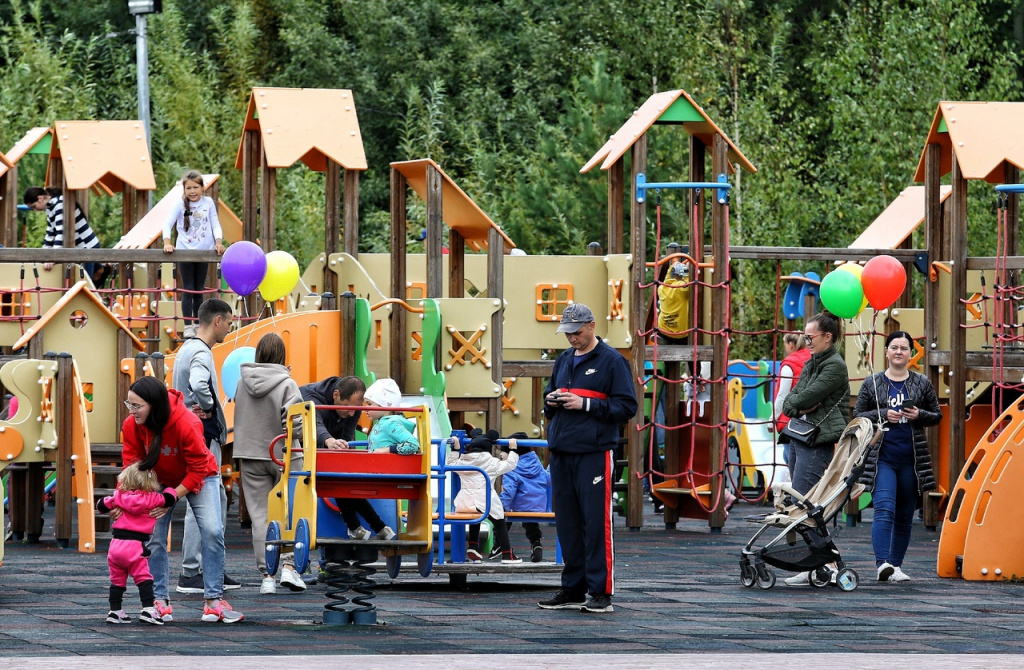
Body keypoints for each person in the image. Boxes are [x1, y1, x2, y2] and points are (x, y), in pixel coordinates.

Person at [538, 303, 638, 614]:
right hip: (562, 451)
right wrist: (550, 401)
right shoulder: (564, 359)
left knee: (596, 524)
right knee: (567, 524)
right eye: (567, 333)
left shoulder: (613, 361)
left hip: (594, 453)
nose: (572, 338)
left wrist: (585, 404)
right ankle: (573, 588)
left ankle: (601, 592)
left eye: (577, 332)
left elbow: (627, 407)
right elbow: (549, 401)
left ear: (592, 326)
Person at [121, 376, 243, 623]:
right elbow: (131, 466)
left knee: (212, 530)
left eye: (136, 406)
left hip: (200, 475)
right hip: (157, 479)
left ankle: (214, 601)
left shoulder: (187, 422)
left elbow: (198, 468)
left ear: (154, 405)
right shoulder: (132, 425)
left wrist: (171, 497)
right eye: (129, 404)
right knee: (153, 534)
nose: (131, 411)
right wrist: (122, 500)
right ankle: (159, 600)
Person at [854, 331, 940, 583]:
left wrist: (919, 415)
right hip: (882, 457)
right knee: (884, 508)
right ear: (886, 352)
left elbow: (936, 415)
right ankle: (882, 563)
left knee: (904, 515)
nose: (899, 352)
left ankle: (896, 565)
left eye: (904, 348)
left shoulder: (922, 383)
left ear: (911, 354)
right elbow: (858, 415)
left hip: (912, 460)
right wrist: (882, 415)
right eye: (894, 347)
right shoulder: (872, 383)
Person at [171, 299, 240, 595]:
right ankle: (191, 571)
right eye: (229, 323)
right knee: (204, 499)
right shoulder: (201, 351)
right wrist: (208, 406)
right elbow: (200, 384)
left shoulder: (186, 348)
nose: (230, 328)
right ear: (217, 321)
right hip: (201, 435)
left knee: (214, 499)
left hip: (190, 432)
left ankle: (209, 566)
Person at [233, 332, 307, 595]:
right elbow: (296, 425)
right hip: (284, 455)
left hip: (250, 454)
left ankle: (267, 576)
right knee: (290, 511)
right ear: (282, 355)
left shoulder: (242, 383)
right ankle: (288, 566)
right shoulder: (287, 384)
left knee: (260, 516)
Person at [781, 311, 851, 587]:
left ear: (827, 337)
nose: (806, 342)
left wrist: (798, 403)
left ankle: (827, 562)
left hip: (817, 439)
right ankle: (817, 562)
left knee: (804, 503)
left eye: (810, 337)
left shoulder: (834, 366)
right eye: (805, 337)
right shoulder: (813, 362)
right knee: (802, 503)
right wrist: (798, 404)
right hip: (801, 435)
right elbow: (791, 401)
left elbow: (804, 397)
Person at [96, 463, 178, 625]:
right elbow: (170, 498)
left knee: (117, 580)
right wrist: (170, 487)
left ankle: (115, 611)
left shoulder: (119, 496)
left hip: (115, 546)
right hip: (135, 546)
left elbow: (101, 506)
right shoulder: (152, 498)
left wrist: (112, 502)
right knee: (144, 578)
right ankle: (148, 609)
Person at [328, 378, 401, 540]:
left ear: (383, 405)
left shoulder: (389, 425)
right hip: (383, 468)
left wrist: (388, 450)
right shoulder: (386, 424)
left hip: (381, 469)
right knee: (343, 483)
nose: (364, 409)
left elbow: (412, 444)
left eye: (369, 404)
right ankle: (379, 528)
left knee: (341, 484)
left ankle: (359, 527)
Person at [162, 170, 225, 335]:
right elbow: (167, 224)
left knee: (198, 289)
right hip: (185, 251)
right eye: (188, 188)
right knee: (188, 288)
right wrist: (167, 243)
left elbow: (215, 224)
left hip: (203, 252)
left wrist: (218, 242)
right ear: (184, 190)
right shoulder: (180, 204)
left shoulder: (208, 203)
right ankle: (188, 325)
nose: (192, 191)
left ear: (202, 188)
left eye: (195, 187)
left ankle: (198, 325)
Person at [447, 428, 522, 564]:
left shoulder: (463, 461)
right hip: (485, 499)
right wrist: (513, 450)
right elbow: (510, 465)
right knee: (500, 522)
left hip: (464, 502)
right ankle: (507, 554)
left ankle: (473, 545)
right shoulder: (492, 463)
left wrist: (455, 449)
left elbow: (450, 464)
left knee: (475, 515)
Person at [23, 186, 101, 279]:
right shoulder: (51, 207)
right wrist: (44, 255)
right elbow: (50, 234)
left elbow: (61, 233)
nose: (35, 210)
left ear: (40, 198)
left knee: (84, 280)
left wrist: (54, 257)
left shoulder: (59, 204)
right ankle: (102, 270)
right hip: (80, 247)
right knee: (89, 276)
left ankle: (102, 271)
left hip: (86, 246)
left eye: (34, 206)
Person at [499, 433, 550, 563]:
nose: (501, 455)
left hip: (519, 508)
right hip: (539, 507)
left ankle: (499, 544)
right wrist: (552, 465)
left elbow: (509, 492)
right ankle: (536, 543)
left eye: (503, 452)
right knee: (530, 520)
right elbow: (548, 479)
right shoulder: (537, 465)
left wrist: (499, 504)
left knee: (503, 515)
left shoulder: (511, 468)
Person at [772, 332, 812, 466]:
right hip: (814, 419)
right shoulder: (815, 358)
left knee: (790, 457)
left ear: (790, 345)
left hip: (792, 422)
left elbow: (782, 396)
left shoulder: (789, 364)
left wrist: (772, 419)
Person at [298, 375, 367, 451]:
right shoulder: (311, 399)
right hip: (299, 448)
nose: (352, 414)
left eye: (356, 409)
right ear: (336, 395)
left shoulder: (353, 404)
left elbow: (346, 439)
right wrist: (330, 441)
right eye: (347, 407)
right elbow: (314, 424)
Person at [656, 260, 690, 344]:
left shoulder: (661, 288)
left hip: (663, 330)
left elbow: (668, 279)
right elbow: (688, 285)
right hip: (680, 334)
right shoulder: (681, 287)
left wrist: (672, 267)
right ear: (682, 277)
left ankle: (661, 337)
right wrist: (687, 271)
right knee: (686, 339)